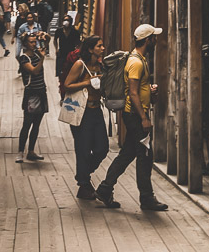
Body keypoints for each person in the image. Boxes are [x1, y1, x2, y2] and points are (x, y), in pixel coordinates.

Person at [96, 24, 169, 212]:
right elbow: (134, 93)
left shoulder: (139, 59)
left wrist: (149, 90)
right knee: (145, 155)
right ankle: (146, 198)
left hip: (133, 114)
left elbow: (138, 90)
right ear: (147, 40)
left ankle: (105, 188)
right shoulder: (136, 62)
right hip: (135, 115)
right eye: (154, 37)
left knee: (128, 153)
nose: (156, 40)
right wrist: (144, 118)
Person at [63, 35, 109, 199]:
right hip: (81, 113)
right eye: (99, 46)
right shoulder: (79, 65)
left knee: (102, 148)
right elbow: (67, 85)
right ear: (90, 49)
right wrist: (88, 82)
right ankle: (84, 184)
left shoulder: (101, 65)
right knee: (83, 150)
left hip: (96, 111)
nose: (102, 49)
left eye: (102, 46)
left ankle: (82, 175)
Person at [16, 26, 48, 162]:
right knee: (27, 124)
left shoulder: (36, 54)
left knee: (36, 124)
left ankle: (31, 151)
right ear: (25, 44)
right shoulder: (24, 58)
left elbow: (48, 40)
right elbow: (34, 71)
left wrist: (44, 36)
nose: (34, 44)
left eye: (35, 41)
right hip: (31, 94)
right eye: (31, 42)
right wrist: (42, 59)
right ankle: (20, 152)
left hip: (41, 92)